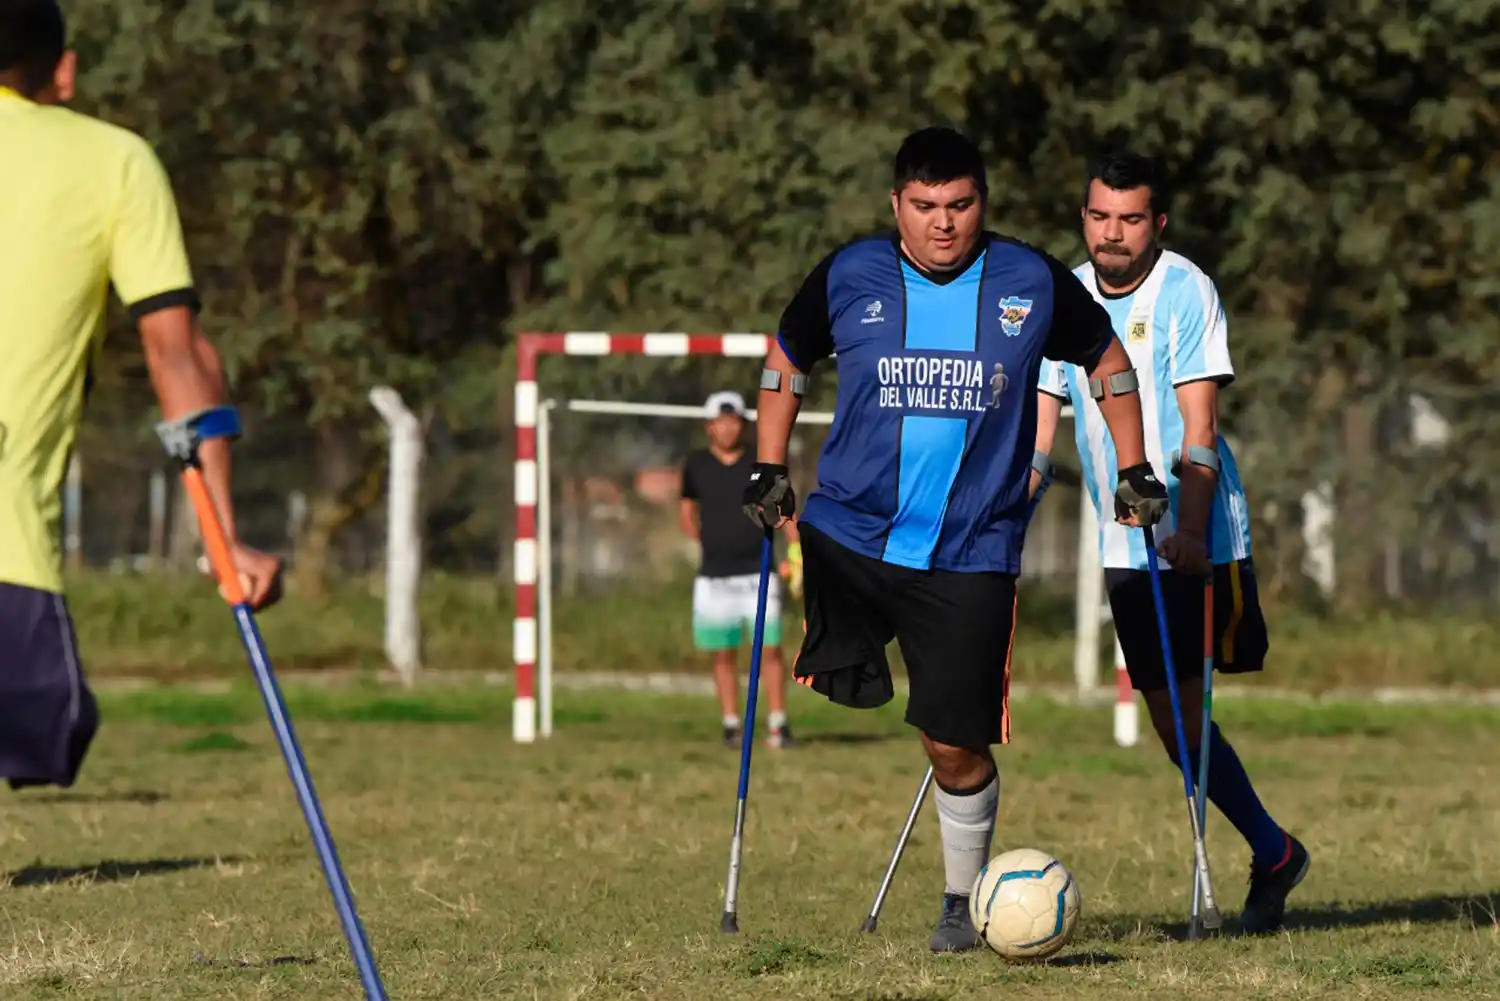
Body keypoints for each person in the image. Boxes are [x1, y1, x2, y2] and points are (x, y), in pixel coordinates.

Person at [742, 126, 1169, 953]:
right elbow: (786, 361)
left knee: (953, 743)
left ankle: (960, 900)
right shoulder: (848, 273)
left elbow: (1108, 362)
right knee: (836, 646)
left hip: (971, 553)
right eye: (925, 206)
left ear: (985, 203)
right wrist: (767, 465)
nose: (944, 223)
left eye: (961, 205)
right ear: (896, 205)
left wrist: (1135, 464)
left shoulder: (1029, 279)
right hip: (852, 538)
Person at [0, 0, 282, 790]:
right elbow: (176, 350)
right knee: (45, 725)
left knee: (49, 727)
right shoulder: (113, 160)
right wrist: (221, 536)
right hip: (7, 548)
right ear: (63, 69)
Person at [1033, 151, 1309, 934]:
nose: (1110, 235)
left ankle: (1270, 851)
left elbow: (1202, 430)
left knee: (1186, 712)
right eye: (1098, 216)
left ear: (1157, 223)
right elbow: (1041, 425)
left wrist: (1189, 531)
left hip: (1196, 534)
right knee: (1168, 720)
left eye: (1128, 219)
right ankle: (1277, 849)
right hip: (1123, 544)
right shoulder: (1065, 293)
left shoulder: (1186, 289)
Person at [680, 391, 802, 749]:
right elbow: (687, 513)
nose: (729, 428)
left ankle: (778, 723)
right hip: (714, 575)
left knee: (770, 648)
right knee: (723, 651)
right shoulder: (696, 465)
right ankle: (731, 724)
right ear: (709, 427)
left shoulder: (759, 464)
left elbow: (783, 509)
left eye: (735, 421)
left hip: (757, 572)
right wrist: (706, 542)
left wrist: (797, 548)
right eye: (722, 421)